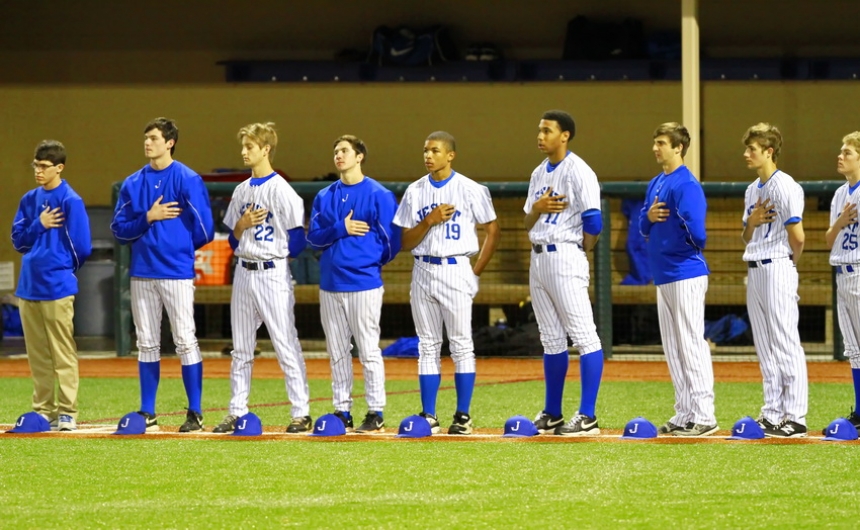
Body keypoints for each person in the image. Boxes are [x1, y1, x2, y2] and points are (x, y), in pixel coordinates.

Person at [393, 131, 500, 435]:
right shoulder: (415, 191)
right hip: (422, 268)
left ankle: (462, 415)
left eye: (435, 151)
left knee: (461, 345)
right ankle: (429, 415)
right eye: (425, 150)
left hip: (456, 268)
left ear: (450, 155)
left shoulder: (470, 189)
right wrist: (428, 221)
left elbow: (493, 230)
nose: (428, 156)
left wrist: (475, 271)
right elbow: (403, 242)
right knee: (427, 345)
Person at [111, 117, 214, 432]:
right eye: (146, 138)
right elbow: (118, 229)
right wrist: (148, 217)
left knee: (185, 340)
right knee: (146, 343)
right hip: (142, 272)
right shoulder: (132, 183)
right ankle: (147, 412)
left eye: (154, 138)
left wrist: (177, 246)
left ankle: (195, 412)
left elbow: (206, 229)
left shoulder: (187, 178)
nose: (148, 143)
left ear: (170, 142)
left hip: (176, 273)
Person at [212, 122, 312, 434]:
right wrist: (240, 226)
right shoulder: (241, 191)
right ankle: (236, 410)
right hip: (244, 272)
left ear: (265, 149)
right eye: (243, 146)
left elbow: (298, 239)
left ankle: (301, 411)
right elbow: (231, 241)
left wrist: (278, 260)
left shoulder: (282, 190)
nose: (244, 152)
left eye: (250, 147)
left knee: (284, 343)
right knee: (241, 348)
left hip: (272, 273)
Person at [307, 135, 400, 433]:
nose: (339, 156)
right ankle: (342, 409)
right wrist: (341, 228)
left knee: (369, 350)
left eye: (345, 151)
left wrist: (367, 262)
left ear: (359, 156)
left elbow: (392, 243)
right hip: (330, 284)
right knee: (337, 351)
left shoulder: (379, 194)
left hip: (364, 284)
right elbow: (313, 238)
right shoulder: (324, 196)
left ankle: (376, 411)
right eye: (335, 151)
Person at [523, 110, 605, 436]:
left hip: (565, 255)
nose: (540, 136)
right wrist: (537, 209)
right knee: (551, 339)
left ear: (565, 135)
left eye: (547, 130)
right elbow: (527, 221)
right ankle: (553, 412)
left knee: (584, 336)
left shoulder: (579, 170)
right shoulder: (537, 173)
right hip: (539, 258)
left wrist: (580, 251)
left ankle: (587, 416)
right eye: (539, 130)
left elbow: (594, 222)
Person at [639, 122, 717, 437]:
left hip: (686, 272)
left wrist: (679, 245)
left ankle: (704, 415)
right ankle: (684, 413)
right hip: (664, 275)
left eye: (661, 143)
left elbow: (698, 232)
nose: (656, 148)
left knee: (690, 343)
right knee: (673, 346)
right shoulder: (657, 182)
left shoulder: (686, 184)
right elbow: (643, 227)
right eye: (655, 142)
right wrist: (648, 218)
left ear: (678, 147)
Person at [11, 140, 92, 432]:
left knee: (62, 351)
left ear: (60, 167)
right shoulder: (28, 200)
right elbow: (18, 240)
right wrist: (39, 224)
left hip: (57, 286)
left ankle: (67, 411)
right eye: (36, 165)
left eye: (44, 166)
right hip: (28, 287)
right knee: (37, 354)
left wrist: (61, 269)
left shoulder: (71, 200)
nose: (38, 171)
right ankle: (43, 410)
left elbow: (82, 246)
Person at [741, 122, 808, 438]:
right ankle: (772, 412)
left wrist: (789, 266)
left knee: (785, 340)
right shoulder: (752, 189)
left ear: (769, 151)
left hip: (778, 265)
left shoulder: (785, 185)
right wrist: (752, 222)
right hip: (754, 266)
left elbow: (798, 236)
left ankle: (795, 416)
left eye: (752, 149)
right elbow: (745, 235)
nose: (746, 154)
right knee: (765, 344)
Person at [824, 131, 860, 431]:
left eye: (847, 152)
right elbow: (828, 239)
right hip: (841, 273)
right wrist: (840, 222)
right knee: (853, 349)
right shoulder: (839, 194)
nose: (840, 156)